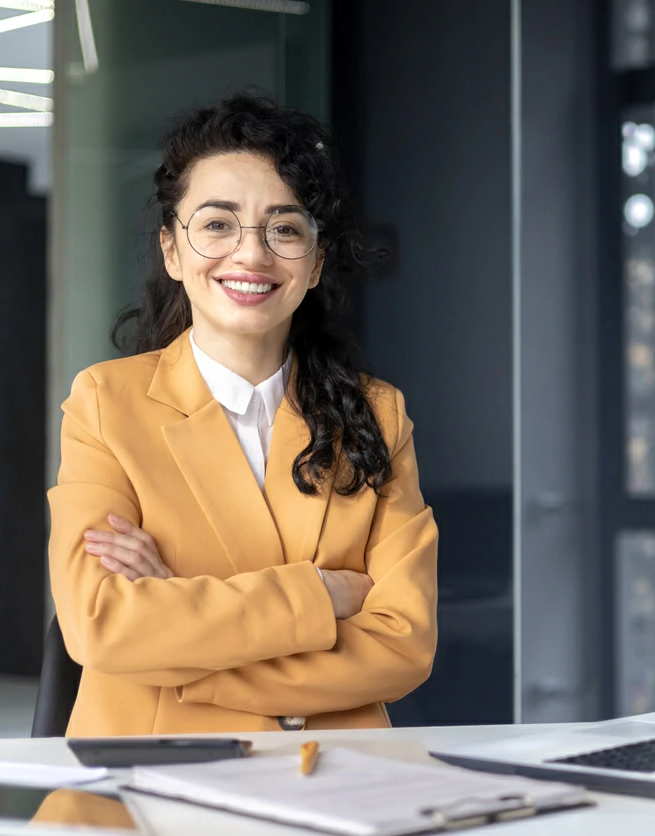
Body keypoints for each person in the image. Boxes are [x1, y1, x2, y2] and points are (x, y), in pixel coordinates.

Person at [47, 94, 438, 736]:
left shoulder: (376, 415)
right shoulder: (104, 403)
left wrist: (185, 656)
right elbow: (101, 623)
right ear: (173, 250)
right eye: (218, 224)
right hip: (153, 772)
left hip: (334, 770)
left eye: (284, 228)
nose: (251, 255)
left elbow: (403, 643)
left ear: (314, 263)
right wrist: (320, 596)